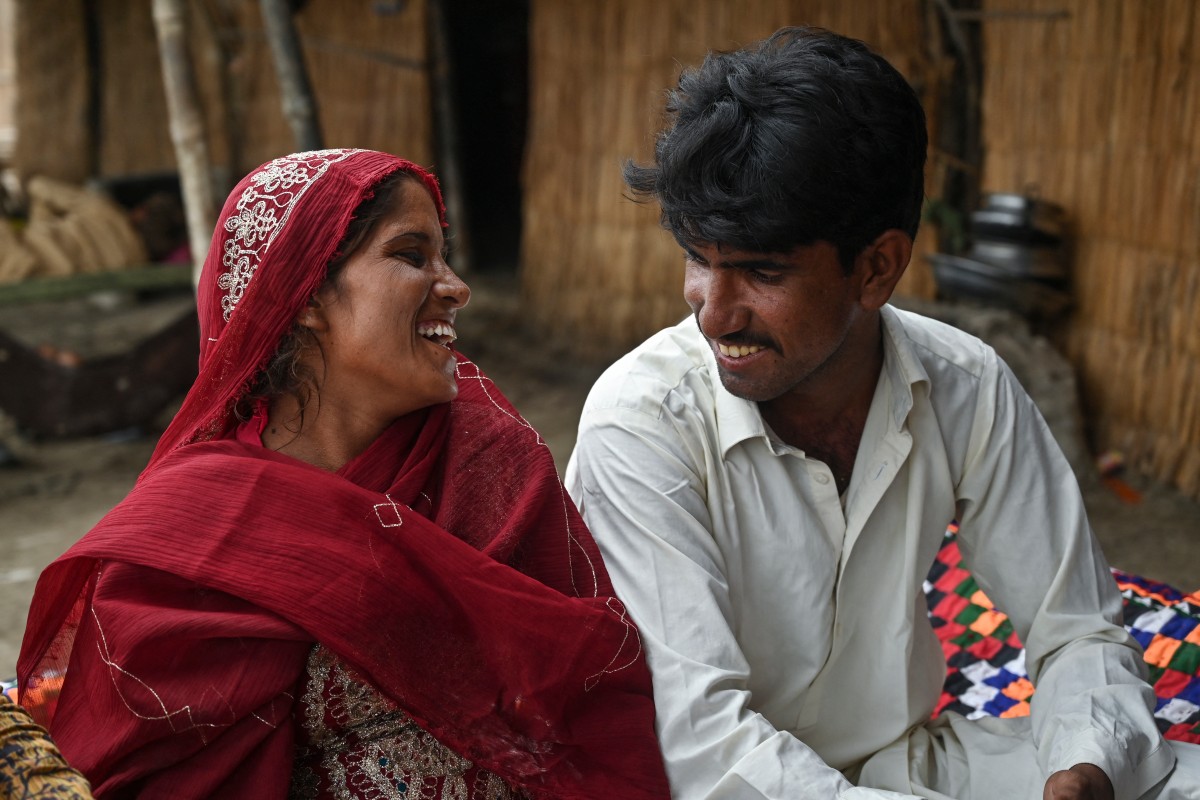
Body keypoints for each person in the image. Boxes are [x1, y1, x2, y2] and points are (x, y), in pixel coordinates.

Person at [564, 27, 1200, 800]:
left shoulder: (965, 382)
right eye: (700, 259)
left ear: (877, 267)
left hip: (901, 764)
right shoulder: (639, 425)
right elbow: (703, 745)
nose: (714, 314)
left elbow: (1078, 630)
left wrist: (1086, 768)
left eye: (761, 271)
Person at [17, 149, 669, 799]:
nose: (455, 287)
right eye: (412, 257)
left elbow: (591, 699)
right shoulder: (182, 538)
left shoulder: (489, 460)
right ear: (305, 294)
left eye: (445, 256)